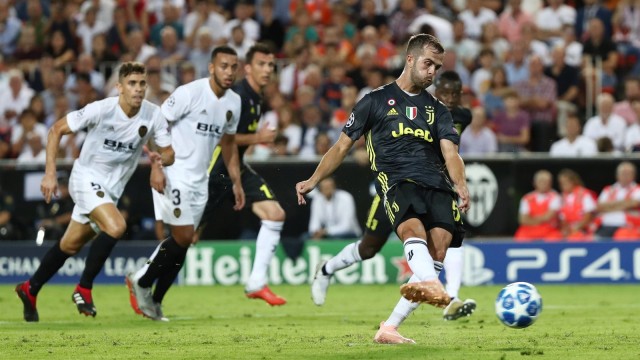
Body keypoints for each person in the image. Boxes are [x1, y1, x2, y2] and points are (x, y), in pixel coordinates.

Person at [296, 34, 470, 344]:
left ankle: (389, 328)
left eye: (437, 67)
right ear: (410, 60)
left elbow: (450, 154)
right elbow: (341, 147)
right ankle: (433, 287)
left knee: (440, 246)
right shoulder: (375, 101)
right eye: (428, 64)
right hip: (396, 181)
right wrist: (313, 180)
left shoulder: (438, 110)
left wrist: (461, 184)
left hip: (436, 184)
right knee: (391, 239)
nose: (433, 72)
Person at [15, 62, 175, 322]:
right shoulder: (101, 109)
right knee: (116, 226)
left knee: (70, 244)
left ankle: (30, 289)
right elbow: (56, 129)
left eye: (142, 83)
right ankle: (84, 288)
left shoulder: (153, 115)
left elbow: (169, 153)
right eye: (132, 84)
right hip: (85, 178)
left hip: (110, 190)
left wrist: (159, 163)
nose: (138, 89)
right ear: (119, 87)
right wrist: (50, 173)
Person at [126, 46, 245, 321]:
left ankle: (155, 300)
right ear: (212, 68)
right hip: (174, 173)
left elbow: (228, 144)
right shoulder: (189, 93)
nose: (229, 72)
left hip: (199, 180)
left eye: (233, 67)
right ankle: (141, 279)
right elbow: (158, 123)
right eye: (224, 66)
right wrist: (156, 166)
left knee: (186, 241)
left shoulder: (234, 103)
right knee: (182, 236)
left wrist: (236, 182)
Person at [197, 43, 287, 306]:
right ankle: (143, 276)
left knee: (275, 213)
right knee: (187, 237)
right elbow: (223, 138)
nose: (268, 70)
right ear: (248, 68)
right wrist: (258, 137)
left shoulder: (256, 98)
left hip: (237, 165)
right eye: (262, 64)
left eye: (271, 65)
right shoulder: (236, 96)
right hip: (216, 170)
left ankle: (257, 283)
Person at [594, 161, 640, 240]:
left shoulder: (637, 189)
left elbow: (635, 203)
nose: (625, 176)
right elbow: (599, 206)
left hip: (628, 226)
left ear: (634, 175)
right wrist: (625, 204)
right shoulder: (608, 189)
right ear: (617, 175)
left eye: (628, 173)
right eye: (623, 173)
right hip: (606, 225)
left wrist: (609, 206)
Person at [514, 170, 563, 241]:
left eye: (546, 181)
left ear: (550, 183)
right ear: (534, 183)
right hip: (529, 229)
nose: (543, 184)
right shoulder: (527, 198)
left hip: (549, 230)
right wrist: (538, 220)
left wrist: (531, 219)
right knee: (520, 237)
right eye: (541, 181)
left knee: (554, 239)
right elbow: (523, 219)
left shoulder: (555, 197)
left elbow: (548, 216)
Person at [557, 169, 597, 241]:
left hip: (584, 228)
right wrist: (565, 229)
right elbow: (562, 218)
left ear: (573, 181)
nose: (564, 185)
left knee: (575, 237)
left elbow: (589, 216)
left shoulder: (584, 194)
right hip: (570, 229)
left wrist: (576, 227)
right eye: (561, 183)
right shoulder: (562, 197)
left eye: (566, 182)